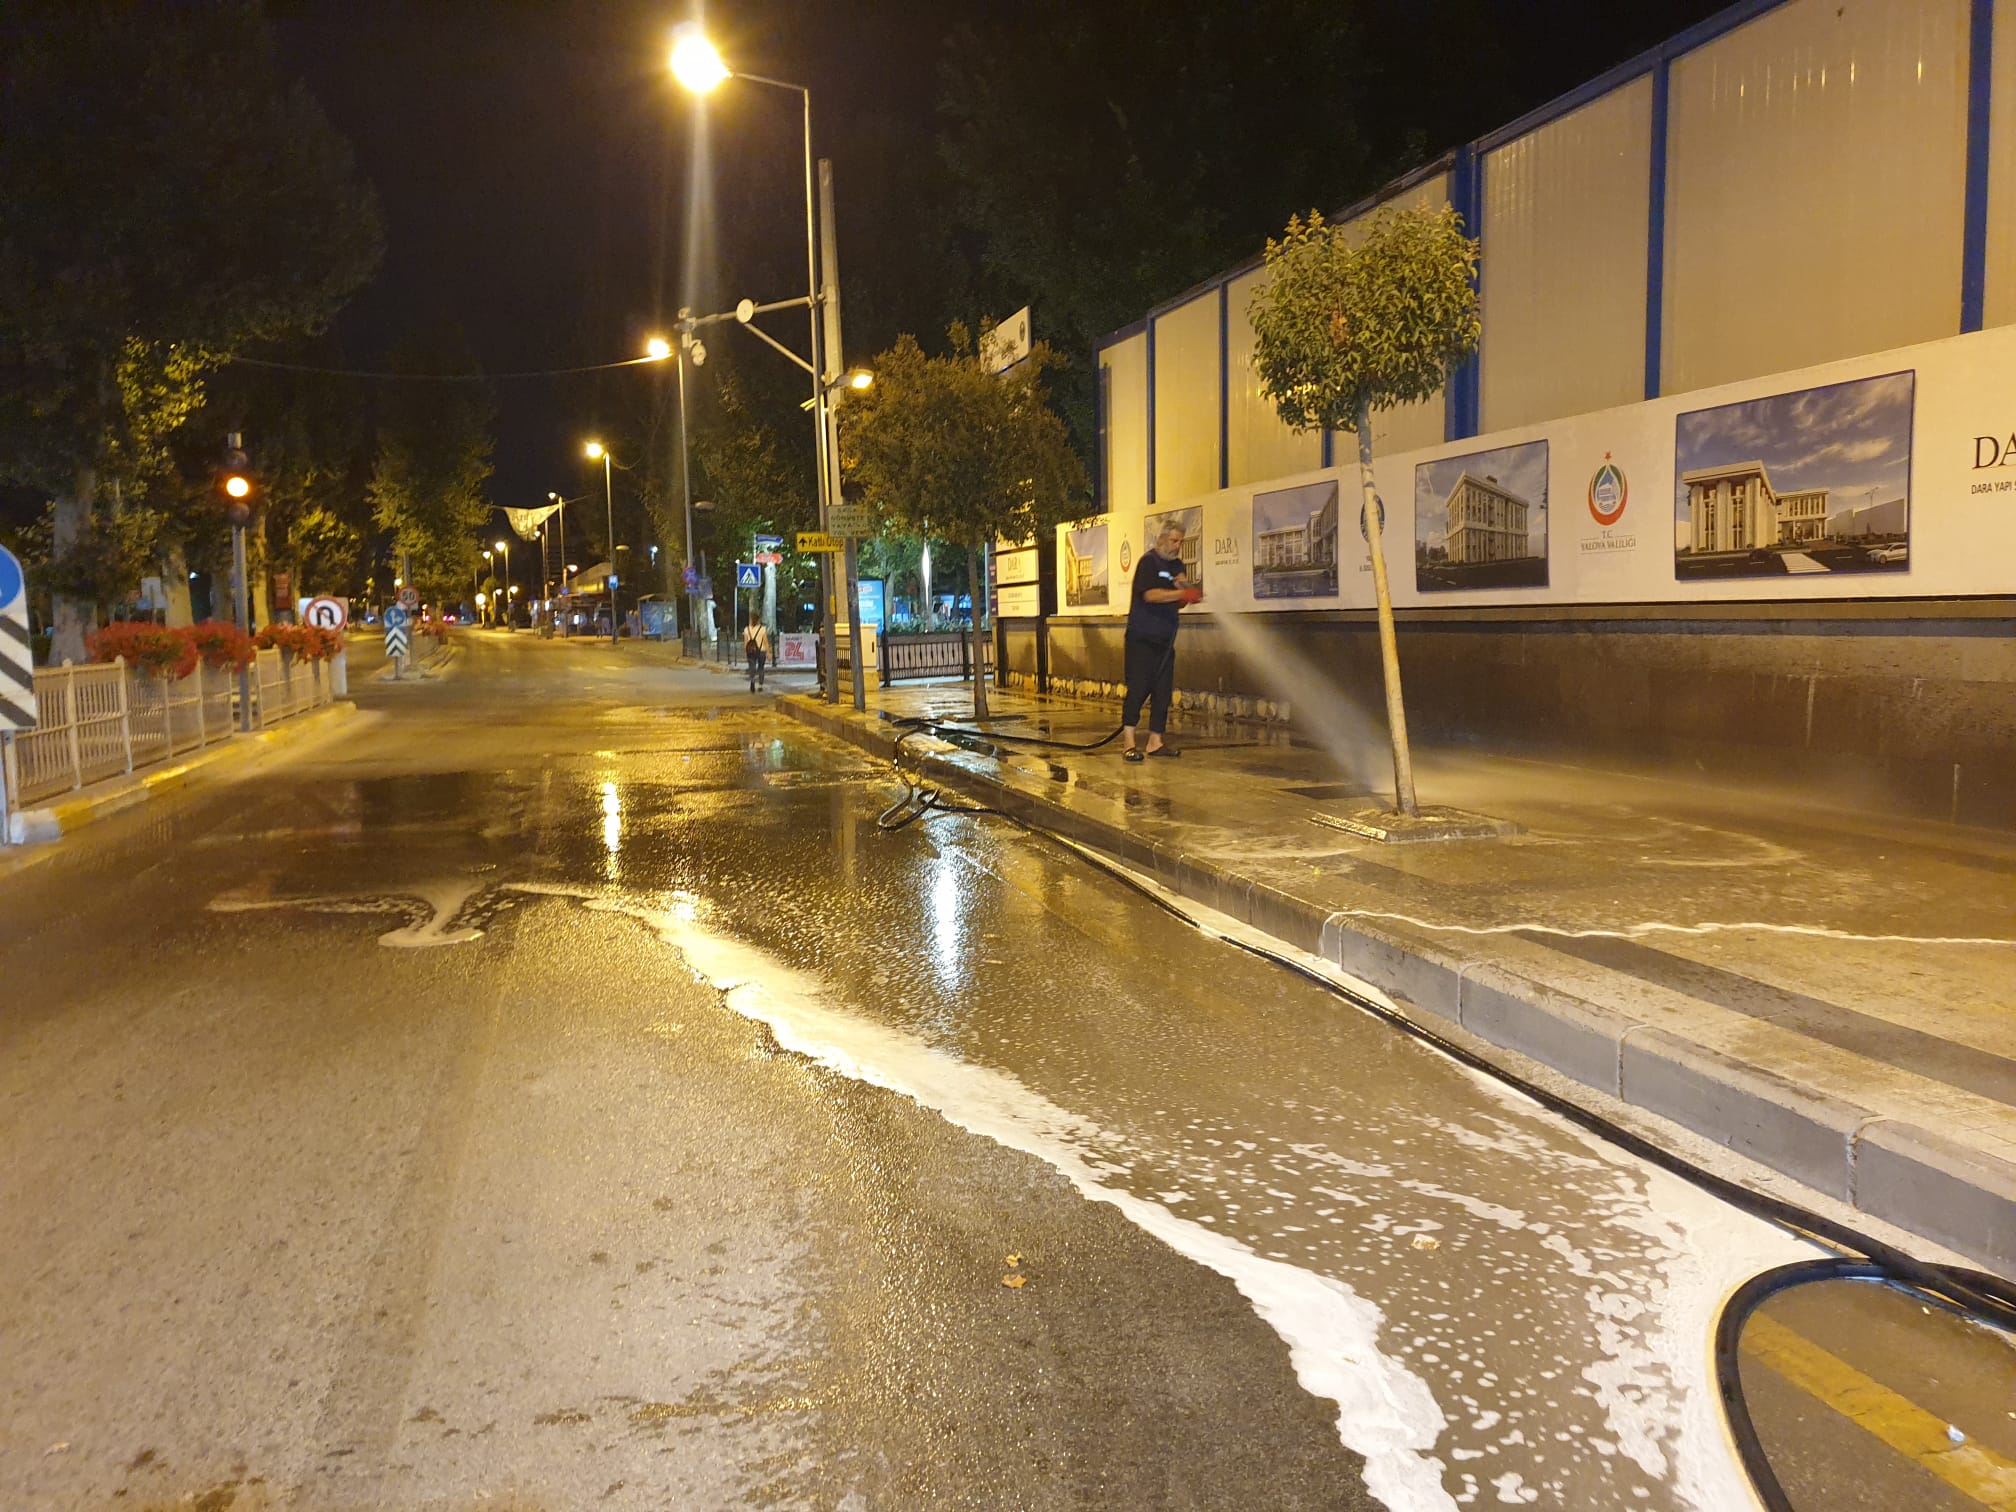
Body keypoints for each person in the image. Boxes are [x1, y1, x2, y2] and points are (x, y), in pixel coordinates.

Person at [1121, 521, 1201, 761]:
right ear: (1162, 539)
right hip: (1141, 638)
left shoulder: (1176, 565)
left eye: (1181, 542)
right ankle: (1128, 743)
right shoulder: (1148, 563)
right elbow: (1151, 595)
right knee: (1138, 688)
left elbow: (1180, 582)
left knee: (1162, 691)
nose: (1177, 546)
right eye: (1174, 540)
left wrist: (1188, 591)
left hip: (1165, 640)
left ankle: (1155, 742)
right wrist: (1181, 593)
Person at [743, 613, 771, 692]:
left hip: (751, 651)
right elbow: (765, 642)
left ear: (751, 620)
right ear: (758, 620)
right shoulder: (762, 629)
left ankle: (752, 680)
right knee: (761, 668)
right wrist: (768, 652)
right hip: (761, 651)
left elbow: (745, 642)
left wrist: (746, 651)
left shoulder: (746, 629)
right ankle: (760, 685)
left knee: (752, 667)